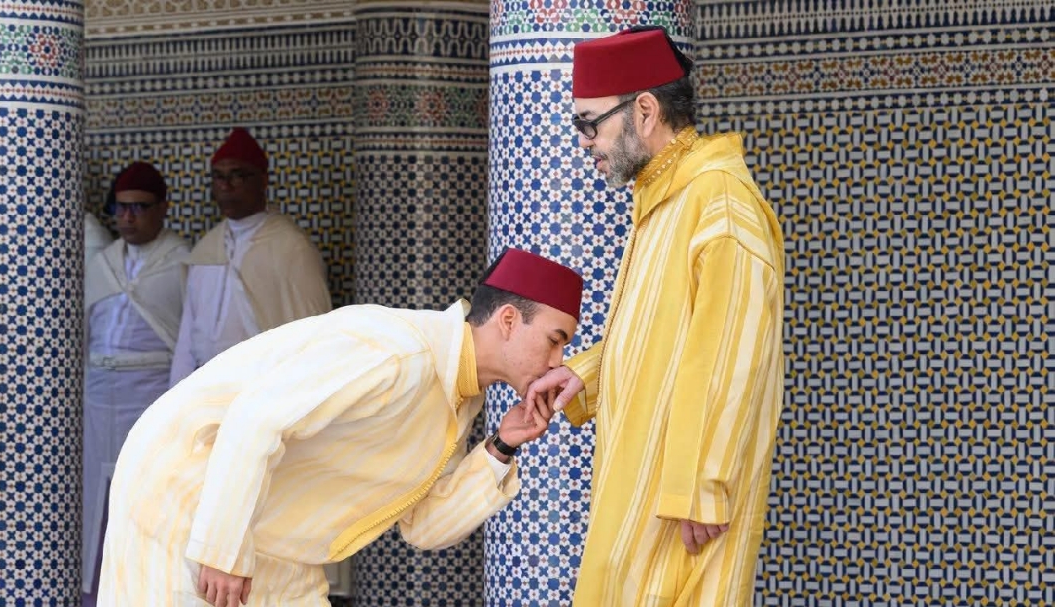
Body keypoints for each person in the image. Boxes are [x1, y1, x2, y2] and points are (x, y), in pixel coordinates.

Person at [98, 248, 584, 607]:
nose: (557, 360)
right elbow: (256, 419)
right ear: (507, 320)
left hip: (280, 543)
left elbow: (424, 527)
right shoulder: (399, 352)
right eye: (555, 340)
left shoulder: (458, 397)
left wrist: (501, 446)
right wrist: (221, 549)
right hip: (189, 496)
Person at [525, 26, 786, 606]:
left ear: (644, 111)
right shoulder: (664, 197)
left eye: (589, 123)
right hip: (642, 498)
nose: (585, 142)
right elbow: (663, 338)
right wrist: (585, 374)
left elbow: (731, 353)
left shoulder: (718, 200)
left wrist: (703, 488)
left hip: (683, 510)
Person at [82, 161, 191, 603]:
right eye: (121, 208)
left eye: (139, 208)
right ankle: (94, 590)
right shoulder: (102, 262)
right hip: (97, 395)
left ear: (163, 208)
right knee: (94, 495)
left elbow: (189, 338)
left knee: (146, 492)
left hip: (151, 393)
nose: (127, 217)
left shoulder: (182, 261)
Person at [169, 127, 331, 386]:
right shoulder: (207, 249)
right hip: (206, 386)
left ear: (263, 180)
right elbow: (188, 336)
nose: (226, 186)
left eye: (238, 176)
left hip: (264, 387)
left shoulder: (290, 247)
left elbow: (313, 335)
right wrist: (177, 393)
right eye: (218, 177)